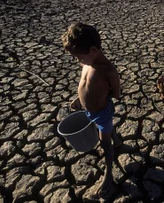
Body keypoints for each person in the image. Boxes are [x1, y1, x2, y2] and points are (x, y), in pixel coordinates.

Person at [61, 23, 122, 198]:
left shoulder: (108, 70)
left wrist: (104, 95)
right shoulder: (87, 63)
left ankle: (109, 174)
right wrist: (79, 99)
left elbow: (116, 93)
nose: (78, 61)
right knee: (109, 133)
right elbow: (85, 85)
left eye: (79, 57)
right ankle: (116, 139)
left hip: (102, 114)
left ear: (93, 50)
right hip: (89, 112)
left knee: (105, 143)